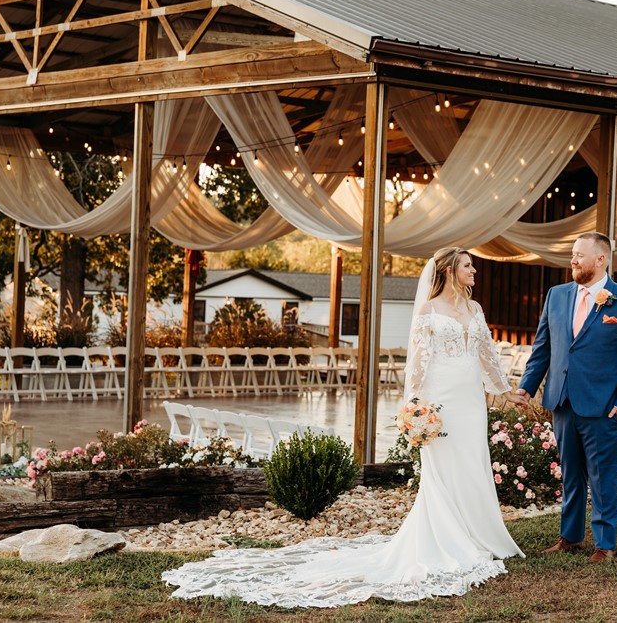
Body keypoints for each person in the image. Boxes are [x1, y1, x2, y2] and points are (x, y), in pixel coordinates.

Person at [163, 247, 524, 607]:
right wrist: (414, 406)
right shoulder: (428, 310)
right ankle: (450, 540)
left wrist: (508, 392)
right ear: (448, 271)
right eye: (467, 264)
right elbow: (417, 363)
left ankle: (480, 535)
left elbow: (487, 357)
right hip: (440, 399)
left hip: (470, 402)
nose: (474, 270)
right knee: (444, 471)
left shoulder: (475, 309)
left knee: (472, 463)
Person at [515, 232, 617, 564]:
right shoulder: (556, 296)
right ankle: (570, 537)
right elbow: (542, 349)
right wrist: (526, 388)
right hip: (562, 403)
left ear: (600, 259)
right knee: (570, 474)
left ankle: (605, 544)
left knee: (604, 478)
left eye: (579, 255)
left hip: (604, 407)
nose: (573, 261)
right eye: (572, 254)